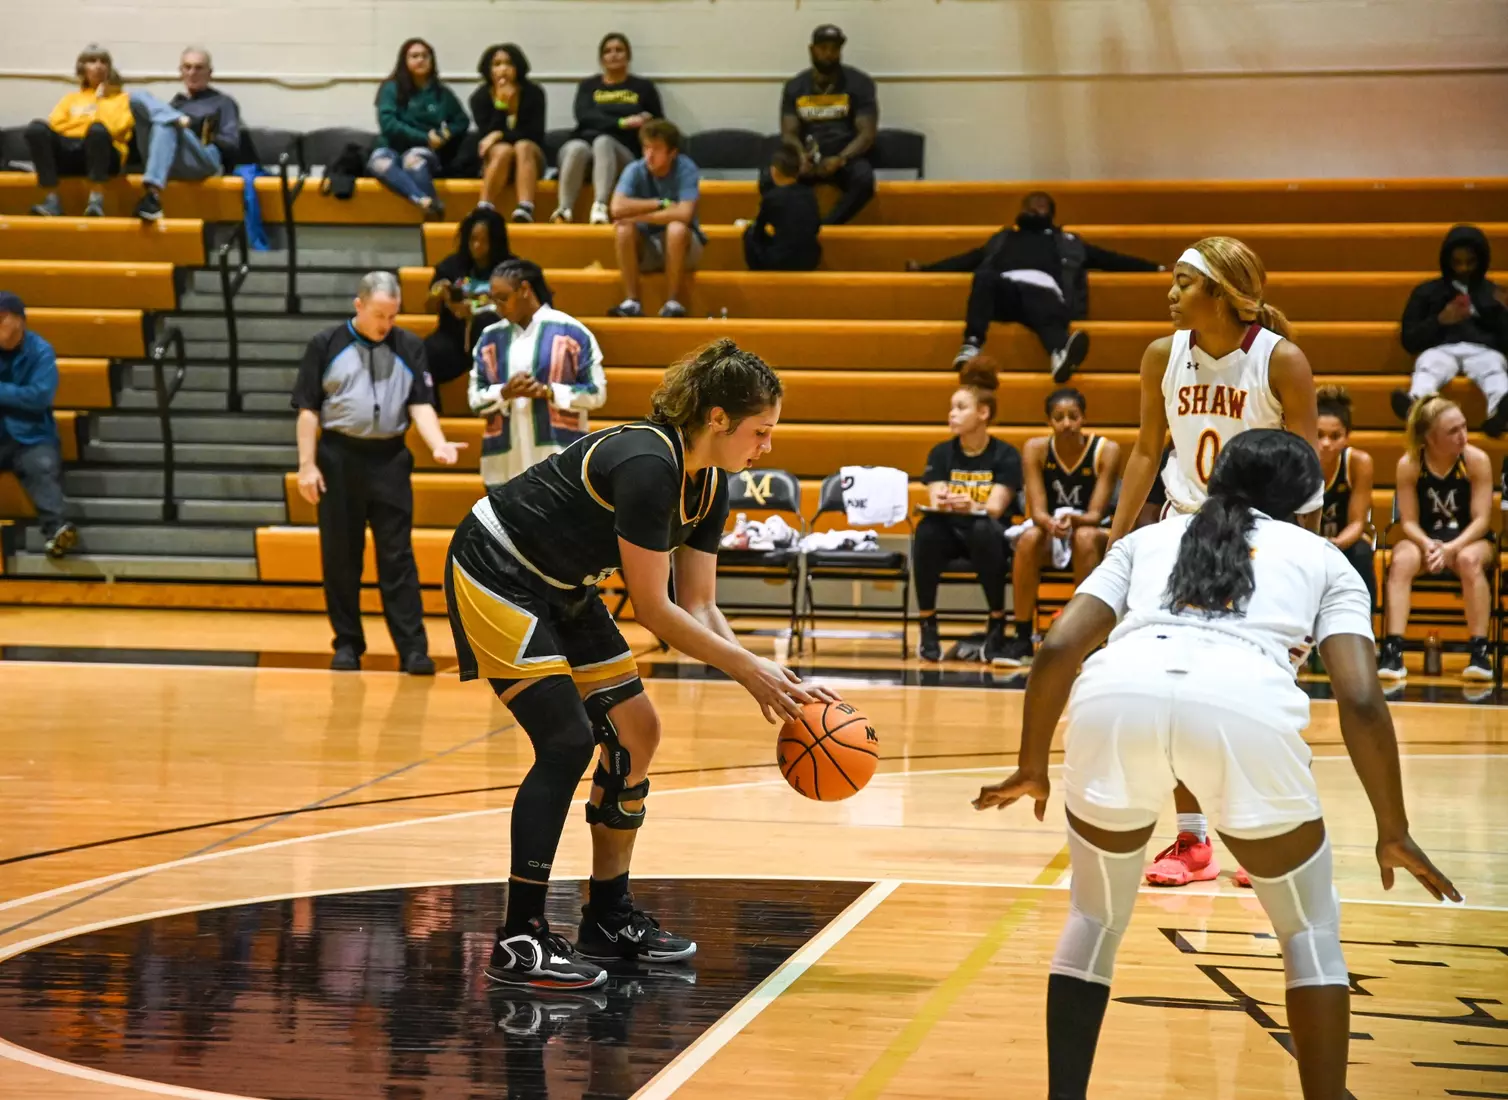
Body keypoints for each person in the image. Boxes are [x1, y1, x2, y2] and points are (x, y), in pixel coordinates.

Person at [973, 429, 1460, 1100]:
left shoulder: (1146, 540)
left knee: (1093, 921)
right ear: (1308, 497)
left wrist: (1033, 764)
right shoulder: (1324, 558)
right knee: (1309, 932)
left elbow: (1058, 648)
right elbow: (1360, 697)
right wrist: (1393, 827)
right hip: (1245, 708)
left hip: (1118, 698)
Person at [444, 338, 837, 988]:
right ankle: (519, 937)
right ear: (717, 417)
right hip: (497, 568)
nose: (766, 447)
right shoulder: (649, 463)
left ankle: (606, 916)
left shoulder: (709, 485)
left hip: (563, 586)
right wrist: (746, 671)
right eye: (760, 431)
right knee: (567, 742)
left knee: (639, 733)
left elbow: (701, 605)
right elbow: (656, 611)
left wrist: (769, 674)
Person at [1104, 235, 1322, 890]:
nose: (1169, 294)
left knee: (1264, 697)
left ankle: (1280, 835)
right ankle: (1194, 843)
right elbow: (1146, 451)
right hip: (1180, 538)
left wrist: (1301, 565)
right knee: (1174, 692)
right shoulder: (1160, 356)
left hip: (1260, 541)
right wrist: (1119, 546)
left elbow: (1307, 476)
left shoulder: (1281, 361)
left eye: (1181, 283)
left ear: (1222, 295)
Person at [291, 272, 468, 674]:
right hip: (338, 456)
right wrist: (307, 465)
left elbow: (421, 404)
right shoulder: (325, 344)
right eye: (378, 315)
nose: (385, 324)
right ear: (359, 306)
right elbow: (308, 409)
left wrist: (437, 443)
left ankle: (412, 649)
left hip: (389, 459)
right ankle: (347, 644)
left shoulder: (409, 345)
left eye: (392, 315)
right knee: (341, 555)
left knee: (397, 556)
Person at [910, 191, 1163, 383]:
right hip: (1006, 292)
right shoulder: (1003, 238)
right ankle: (972, 344)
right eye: (1031, 206)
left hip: (1045, 295)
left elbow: (1111, 259)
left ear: (1051, 214)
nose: (1035, 209)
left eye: (1041, 206)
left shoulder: (1068, 242)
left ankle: (1059, 354)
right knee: (984, 276)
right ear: (1021, 211)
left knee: (1043, 299)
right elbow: (967, 259)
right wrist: (926, 270)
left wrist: (1157, 268)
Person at [1000, 387, 1121, 667]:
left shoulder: (1107, 450)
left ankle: (1084, 638)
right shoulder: (1036, 449)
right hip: (1052, 529)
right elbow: (1038, 510)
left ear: (1084, 419)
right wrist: (1049, 522)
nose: (1066, 423)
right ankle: (1021, 637)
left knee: (1085, 538)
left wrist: (1073, 520)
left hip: (1091, 530)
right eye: (1059, 417)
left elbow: (1095, 513)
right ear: (1049, 422)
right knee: (1029, 537)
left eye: (1073, 416)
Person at [1378, 396, 1495, 682]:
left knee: (1469, 561)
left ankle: (1480, 652)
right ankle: (1393, 650)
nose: (1463, 436)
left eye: (1464, 427)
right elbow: (1408, 522)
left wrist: (1451, 548)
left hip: (1469, 539)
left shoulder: (1476, 460)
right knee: (1402, 560)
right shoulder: (1410, 464)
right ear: (1430, 437)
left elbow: (1482, 520)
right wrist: (1430, 545)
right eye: (1453, 431)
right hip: (1425, 540)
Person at [913, 359, 1022, 665]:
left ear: (983, 413)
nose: (952, 414)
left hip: (989, 535)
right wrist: (946, 499)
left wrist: (971, 505)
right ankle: (928, 623)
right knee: (927, 530)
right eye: (951, 407)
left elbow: (996, 507)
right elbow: (936, 496)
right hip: (950, 531)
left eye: (960, 407)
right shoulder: (941, 453)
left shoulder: (1006, 455)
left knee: (984, 529)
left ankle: (997, 622)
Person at [469, 259, 606, 487]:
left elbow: (596, 393)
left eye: (503, 298)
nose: (497, 306)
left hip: (560, 459)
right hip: (503, 464)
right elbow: (475, 399)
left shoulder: (572, 332)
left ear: (524, 289)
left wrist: (548, 392)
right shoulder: (489, 338)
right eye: (493, 300)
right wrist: (504, 392)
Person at [1393, 225, 1508, 437]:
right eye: (1457, 262)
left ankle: (1500, 412)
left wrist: (1499, 313)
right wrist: (1440, 320)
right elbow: (1409, 339)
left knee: (1494, 369)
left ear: (1481, 260)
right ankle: (1417, 406)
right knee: (1428, 366)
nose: (1463, 268)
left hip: (1484, 349)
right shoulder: (1426, 292)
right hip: (1441, 349)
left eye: (1470, 262)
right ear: (1446, 261)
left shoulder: (1495, 294)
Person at [770, 25, 877, 226]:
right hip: (807, 157)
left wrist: (841, 158)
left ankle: (827, 226)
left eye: (834, 48)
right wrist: (801, 156)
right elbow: (789, 132)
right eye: (823, 47)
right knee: (769, 176)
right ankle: (788, 226)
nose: (829, 53)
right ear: (812, 49)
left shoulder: (859, 83)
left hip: (845, 157)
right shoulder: (795, 86)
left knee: (864, 180)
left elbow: (867, 134)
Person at [554, 33, 663, 226]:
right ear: (601, 58)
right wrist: (622, 123)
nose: (613, 55)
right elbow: (585, 117)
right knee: (576, 148)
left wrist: (646, 122)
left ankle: (600, 205)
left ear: (628, 56)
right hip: (585, 150)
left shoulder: (643, 87)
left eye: (619, 50)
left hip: (623, 153)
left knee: (603, 142)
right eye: (608, 51)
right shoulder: (588, 86)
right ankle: (564, 209)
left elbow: (659, 124)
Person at [0, 293, 77, 558]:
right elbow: (27, 395)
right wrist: (14, 395)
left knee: (41, 466)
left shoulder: (41, 350)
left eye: (1, 319)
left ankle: (56, 532)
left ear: (20, 320)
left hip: (31, 436)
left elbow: (39, 397)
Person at [127, 46, 239, 222]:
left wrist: (195, 130)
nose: (192, 72)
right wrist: (178, 120)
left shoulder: (223, 102)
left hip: (203, 159)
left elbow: (231, 143)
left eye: (198, 67)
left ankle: (152, 195)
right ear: (181, 72)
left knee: (165, 123)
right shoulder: (176, 103)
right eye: (187, 67)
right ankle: (176, 120)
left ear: (209, 73)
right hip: (170, 160)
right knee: (137, 97)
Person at [608, 119, 704, 320]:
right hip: (648, 245)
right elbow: (616, 208)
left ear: (672, 153)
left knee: (676, 228)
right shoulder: (635, 169)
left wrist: (637, 215)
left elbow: (684, 214)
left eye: (657, 149)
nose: (649, 155)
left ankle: (672, 302)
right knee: (623, 228)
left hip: (684, 245)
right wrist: (659, 203)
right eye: (646, 148)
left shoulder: (686, 168)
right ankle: (632, 302)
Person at [25, 45, 133, 217]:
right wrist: (87, 122)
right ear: (83, 68)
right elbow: (56, 125)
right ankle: (52, 200)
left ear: (109, 68)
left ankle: (96, 201)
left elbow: (115, 128)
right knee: (36, 129)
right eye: (92, 61)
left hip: (105, 155)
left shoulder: (122, 99)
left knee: (97, 131)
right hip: (71, 150)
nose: (98, 66)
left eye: (103, 62)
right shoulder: (70, 99)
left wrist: (100, 100)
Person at [370, 38, 470, 220]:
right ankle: (426, 201)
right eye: (414, 56)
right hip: (391, 147)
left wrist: (445, 134)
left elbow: (461, 121)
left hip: (423, 151)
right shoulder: (390, 88)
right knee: (377, 162)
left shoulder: (442, 93)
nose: (420, 60)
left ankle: (430, 211)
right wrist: (424, 136)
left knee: (413, 159)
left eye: (425, 56)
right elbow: (388, 124)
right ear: (404, 61)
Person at [423, 206, 512, 399]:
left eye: (484, 241)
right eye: (473, 240)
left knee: (486, 322)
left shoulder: (512, 269)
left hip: (498, 343)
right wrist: (439, 295)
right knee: (424, 354)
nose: (478, 246)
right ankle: (430, 410)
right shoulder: (451, 266)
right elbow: (429, 307)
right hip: (453, 339)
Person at [1315, 385, 1376, 609]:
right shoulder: (1297, 461)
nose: (1326, 443)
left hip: (1345, 540)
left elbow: (1358, 522)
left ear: (1347, 437)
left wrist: (1336, 544)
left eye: (1335, 436)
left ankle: (1365, 629)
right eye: (1319, 435)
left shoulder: (1359, 463)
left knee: (1361, 553)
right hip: (1308, 539)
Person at [470, 43, 546, 223]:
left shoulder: (534, 93)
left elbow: (534, 134)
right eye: (497, 64)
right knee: (503, 149)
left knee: (522, 145)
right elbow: (487, 136)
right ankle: (484, 207)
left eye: (509, 63)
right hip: (498, 160)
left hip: (530, 160)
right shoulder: (479, 97)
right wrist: (501, 105)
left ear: (518, 67)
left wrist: (500, 135)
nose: (503, 69)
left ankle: (525, 208)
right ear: (488, 69)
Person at [742, 142, 821, 272]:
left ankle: (757, 275)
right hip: (810, 260)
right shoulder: (809, 194)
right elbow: (816, 225)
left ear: (774, 170)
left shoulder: (772, 197)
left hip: (781, 261)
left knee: (749, 234)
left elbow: (758, 230)